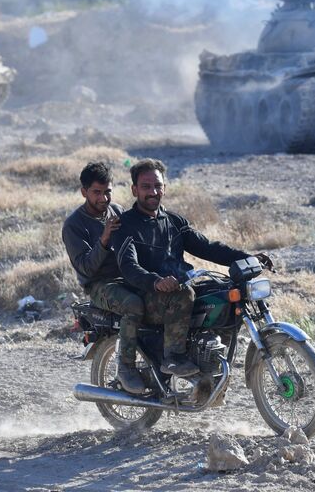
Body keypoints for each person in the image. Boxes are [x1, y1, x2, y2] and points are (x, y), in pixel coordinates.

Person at [112, 159, 273, 377]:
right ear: (134, 190)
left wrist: (247, 258)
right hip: (149, 294)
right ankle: (173, 358)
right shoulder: (125, 225)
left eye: (158, 186)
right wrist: (156, 281)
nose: (153, 191)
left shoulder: (174, 221)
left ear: (164, 189)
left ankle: (212, 359)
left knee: (223, 292)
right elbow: (129, 267)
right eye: (146, 186)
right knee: (183, 294)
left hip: (180, 287)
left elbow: (207, 247)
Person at [62, 162, 146, 394]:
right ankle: (126, 368)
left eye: (107, 191)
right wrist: (104, 238)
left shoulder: (117, 211)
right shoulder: (74, 225)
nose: (103, 198)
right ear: (84, 192)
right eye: (97, 193)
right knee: (133, 306)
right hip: (100, 286)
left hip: (128, 277)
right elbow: (87, 268)